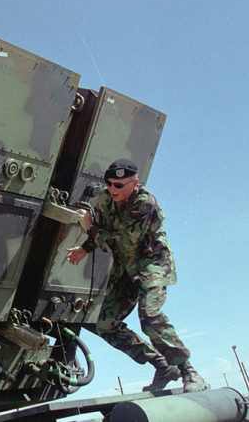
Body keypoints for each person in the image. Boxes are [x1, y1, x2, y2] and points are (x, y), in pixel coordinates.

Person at [66, 158, 209, 392]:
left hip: (152, 263)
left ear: (135, 183)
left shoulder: (145, 203)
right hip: (125, 267)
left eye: (119, 185)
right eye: (109, 183)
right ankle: (162, 364)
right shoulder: (105, 199)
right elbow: (106, 231)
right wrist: (85, 248)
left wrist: (90, 228)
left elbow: (124, 243)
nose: (113, 189)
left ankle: (189, 372)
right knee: (105, 324)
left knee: (149, 314)